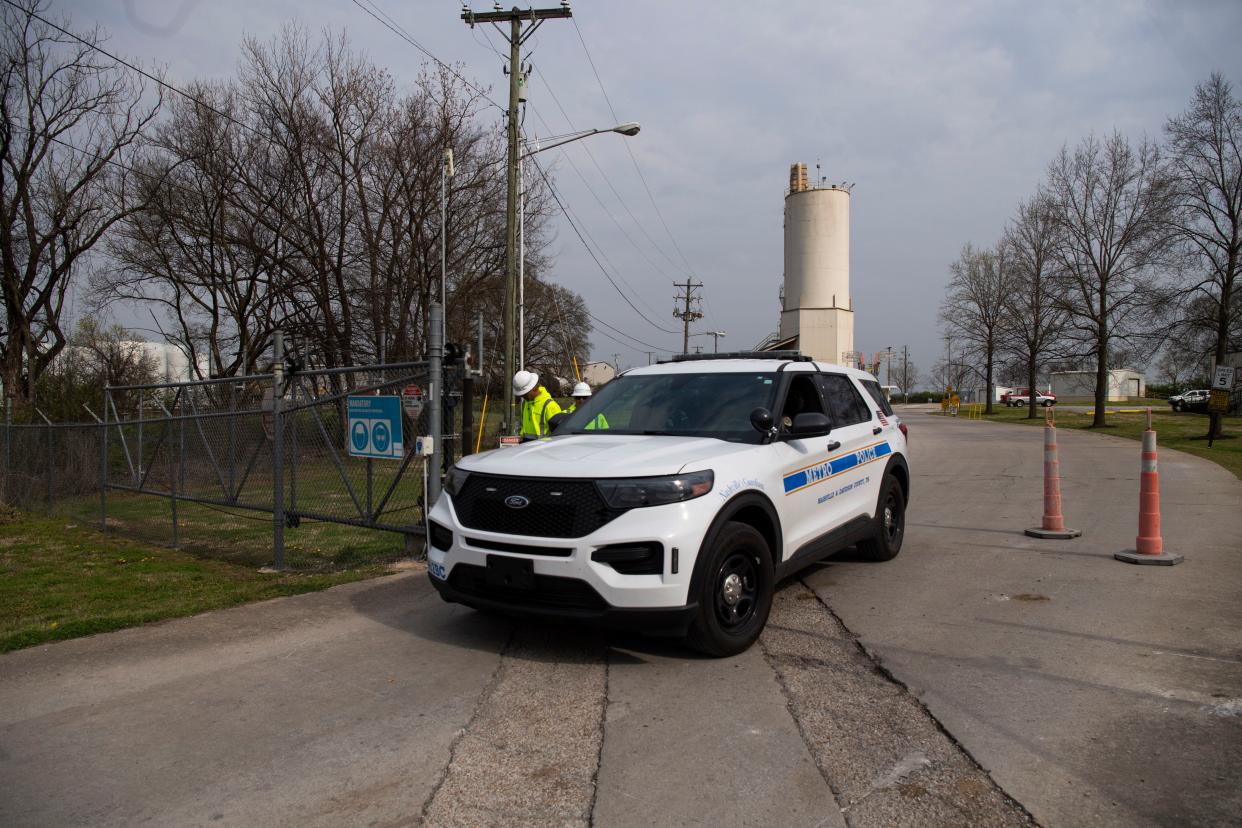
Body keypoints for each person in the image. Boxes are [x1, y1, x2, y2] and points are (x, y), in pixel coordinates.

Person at [513, 370, 562, 440]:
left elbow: (558, 433)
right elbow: (521, 425)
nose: (523, 397)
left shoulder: (550, 405)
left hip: (543, 447)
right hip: (526, 446)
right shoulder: (525, 403)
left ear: (534, 388)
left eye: (525, 394)